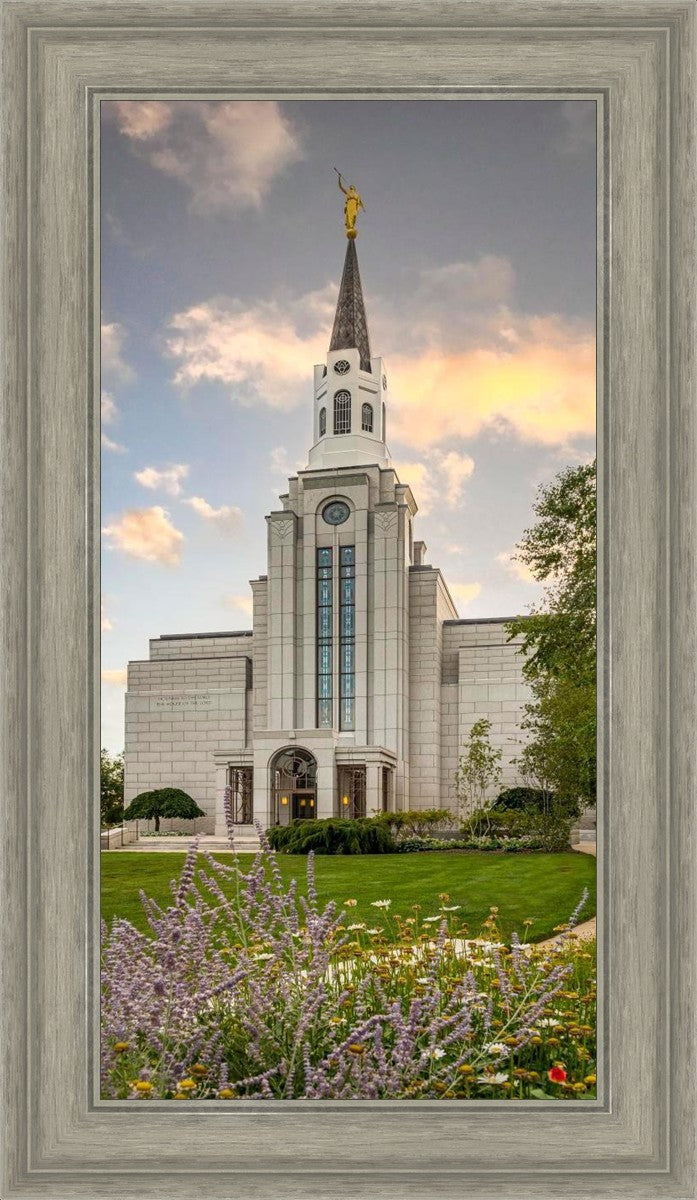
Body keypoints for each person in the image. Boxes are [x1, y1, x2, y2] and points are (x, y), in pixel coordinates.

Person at [337, 172, 364, 237]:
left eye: (352, 188)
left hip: (354, 205)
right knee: (349, 216)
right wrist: (339, 178)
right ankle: (351, 226)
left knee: (354, 216)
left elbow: (360, 202)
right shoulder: (348, 193)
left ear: (354, 189)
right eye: (350, 188)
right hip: (349, 205)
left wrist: (362, 208)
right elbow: (341, 187)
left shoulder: (357, 195)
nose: (351, 188)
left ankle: (352, 226)